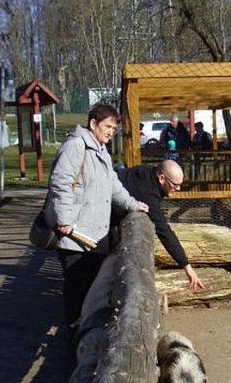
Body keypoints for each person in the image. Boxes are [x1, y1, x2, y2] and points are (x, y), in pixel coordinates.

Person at [44, 103, 149, 330]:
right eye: (108, 126)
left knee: (93, 286)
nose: (111, 131)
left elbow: (113, 184)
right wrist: (64, 219)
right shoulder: (75, 146)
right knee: (77, 286)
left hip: (94, 233)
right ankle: (75, 330)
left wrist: (133, 204)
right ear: (93, 124)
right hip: (75, 235)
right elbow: (60, 183)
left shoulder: (101, 150)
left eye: (113, 127)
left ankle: (86, 328)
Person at [117, 159, 206, 291]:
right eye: (175, 185)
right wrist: (186, 266)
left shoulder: (146, 172)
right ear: (161, 178)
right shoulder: (148, 194)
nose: (178, 188)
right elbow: (164, 231)